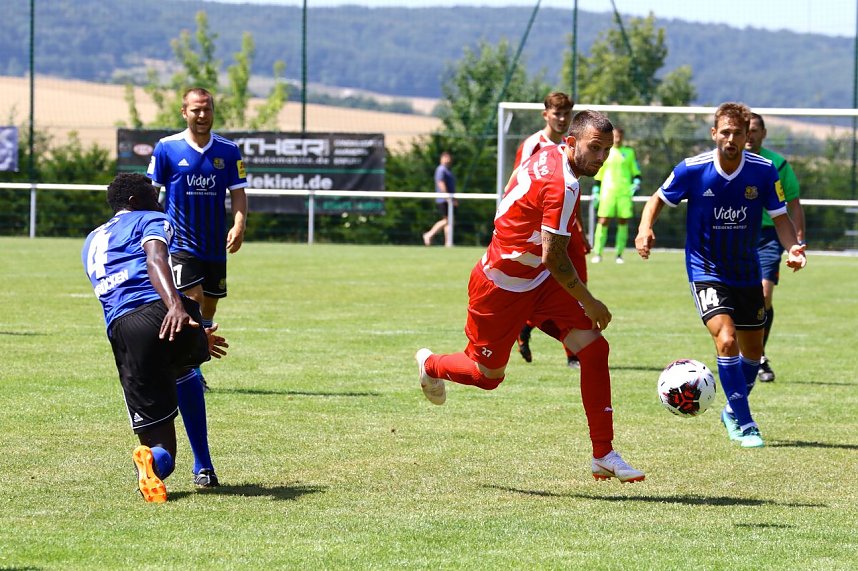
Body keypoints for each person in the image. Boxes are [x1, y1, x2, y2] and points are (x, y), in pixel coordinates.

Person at [416, 110, 645, 483]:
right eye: (595, 148)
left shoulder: (548, 153)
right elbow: (554, 257)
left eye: (606, 149)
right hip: (501, 287)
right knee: (487, 377)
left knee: (593, 348)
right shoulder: (564, 184)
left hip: (538, 281)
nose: (601, 157)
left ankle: (603, 454)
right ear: (571, 143)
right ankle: (431, 365)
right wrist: (589, 301)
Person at [635, 102, 807, 449]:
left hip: (746, 271)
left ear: (746, 137)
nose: (731, 139)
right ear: (714, 133)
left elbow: (780, 217)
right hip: (706, 269)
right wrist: (644, 228)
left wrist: (793, 248)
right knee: (726, 340)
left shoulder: (763, 171)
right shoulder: (692, 169)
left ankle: (730, 411)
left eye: (737, 133)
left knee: (753, 353)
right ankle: (746, 423)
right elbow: (657, 198)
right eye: (724, 132)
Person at [82, 173, 228, 503]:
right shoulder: (151, 219)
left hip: (123, 330)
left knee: (162, 448)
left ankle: (151, 462)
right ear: (134, 201)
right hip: (160, 308)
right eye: (151, 193)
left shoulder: (91, 239)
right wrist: (175, 306)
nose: (157, 197)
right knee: (185, 369)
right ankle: (203, 465)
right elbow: (156, 258)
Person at [147, 86, 247, 487]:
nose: (202, 115)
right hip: (181, 246)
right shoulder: (167, 149)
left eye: (207, 109)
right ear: (183, 111)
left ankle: (194, 357)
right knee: (193, 301)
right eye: (195, 109)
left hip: (213, 248)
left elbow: (238, 194)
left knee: (210, 309)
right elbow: (152, 195)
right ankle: (190, 367)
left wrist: (239, 224)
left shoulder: (228, 151)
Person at [512, 92, 590, 369]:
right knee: (539, 287)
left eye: (567, 113)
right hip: (541, 231)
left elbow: (573, 191)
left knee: (578, 285)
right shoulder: (533, 145)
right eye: (557, 113)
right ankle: (527, 325)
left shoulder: (572, 145)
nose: (562, 118)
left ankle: (573, 351)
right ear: (545, 114)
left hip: (569, 229)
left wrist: (582, 229)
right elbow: (515, 185)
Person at [745, 112, 806, 382]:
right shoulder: (730, 162)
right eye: (746, 129)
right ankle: (739, 352)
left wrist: (798, 241)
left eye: (755, 130)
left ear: (763, 133)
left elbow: (793, 202)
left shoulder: (778, 164)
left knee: (764, 296)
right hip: (738, 233)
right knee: (738, 297)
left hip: (770, 236)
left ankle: (758, 356)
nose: (750, 134)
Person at [591, 127, 641, 264]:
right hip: (607, 192)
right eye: (615, 136)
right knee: (603, 221)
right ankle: (598, 253)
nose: (617, 138)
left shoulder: (629, 152)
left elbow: (636, 172)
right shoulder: (606, 152)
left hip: (624, 193)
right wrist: (596, 190)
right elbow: (599, 174)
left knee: (623, 222)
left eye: (619, 136)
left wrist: (636, 183)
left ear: (622, 137)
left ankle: (619, 254)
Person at [422, 151, 457, 247]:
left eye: (449, 157)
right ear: (441, 159)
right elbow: (440, 182)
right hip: (444, 199)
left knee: (448, 220)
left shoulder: (448, 170)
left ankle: (448, 242)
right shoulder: (441, 169)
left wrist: (454, 198)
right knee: (448, 220)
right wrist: (447, 196)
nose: (448, 159)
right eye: (445, 157)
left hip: (449, 198)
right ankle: (429, 234)